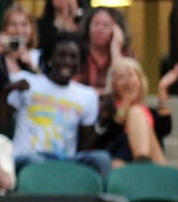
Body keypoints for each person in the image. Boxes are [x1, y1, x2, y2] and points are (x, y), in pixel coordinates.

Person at [7, 34, 111, 180]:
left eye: (73, 57)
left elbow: (85, 145)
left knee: (102, 158)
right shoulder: (25, 81)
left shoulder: (88, 95)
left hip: (65, 160)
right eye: (61, 55)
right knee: (36, 163)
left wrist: (103, 121)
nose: (67, 61)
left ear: (79, 62)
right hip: (29, 155)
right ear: (50, 58)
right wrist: (9, 90)